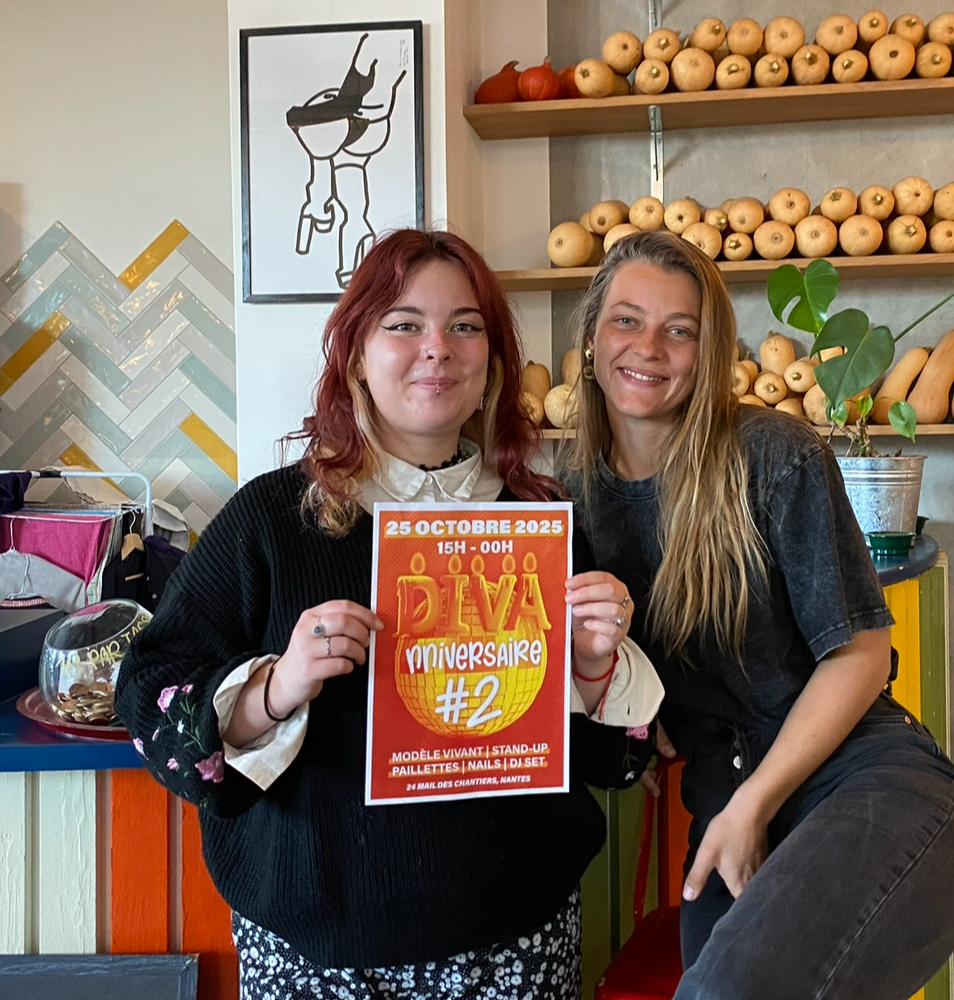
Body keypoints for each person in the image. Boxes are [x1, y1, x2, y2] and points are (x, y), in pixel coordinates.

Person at [116, 228, 659, 1000]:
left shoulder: (541, 523)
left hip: (513, 938)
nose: (437, 347)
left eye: (465, 325)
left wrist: (595, 665)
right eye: (404, 324)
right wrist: (276, 686)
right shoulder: (271, 519)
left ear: (493, 364)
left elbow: (614, 763)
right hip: (316, 953)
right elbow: (150, 698)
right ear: (356, 355)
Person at [564, 228, 954, 1000]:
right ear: (590, 339)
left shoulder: (772, 453)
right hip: (727, 807)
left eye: (679, 329)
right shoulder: (570, 501)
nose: (648, 346)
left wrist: (753, 804)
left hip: (867, 785)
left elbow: (862, 654)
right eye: (627, 320)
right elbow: (608, 709)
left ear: (708, 352)